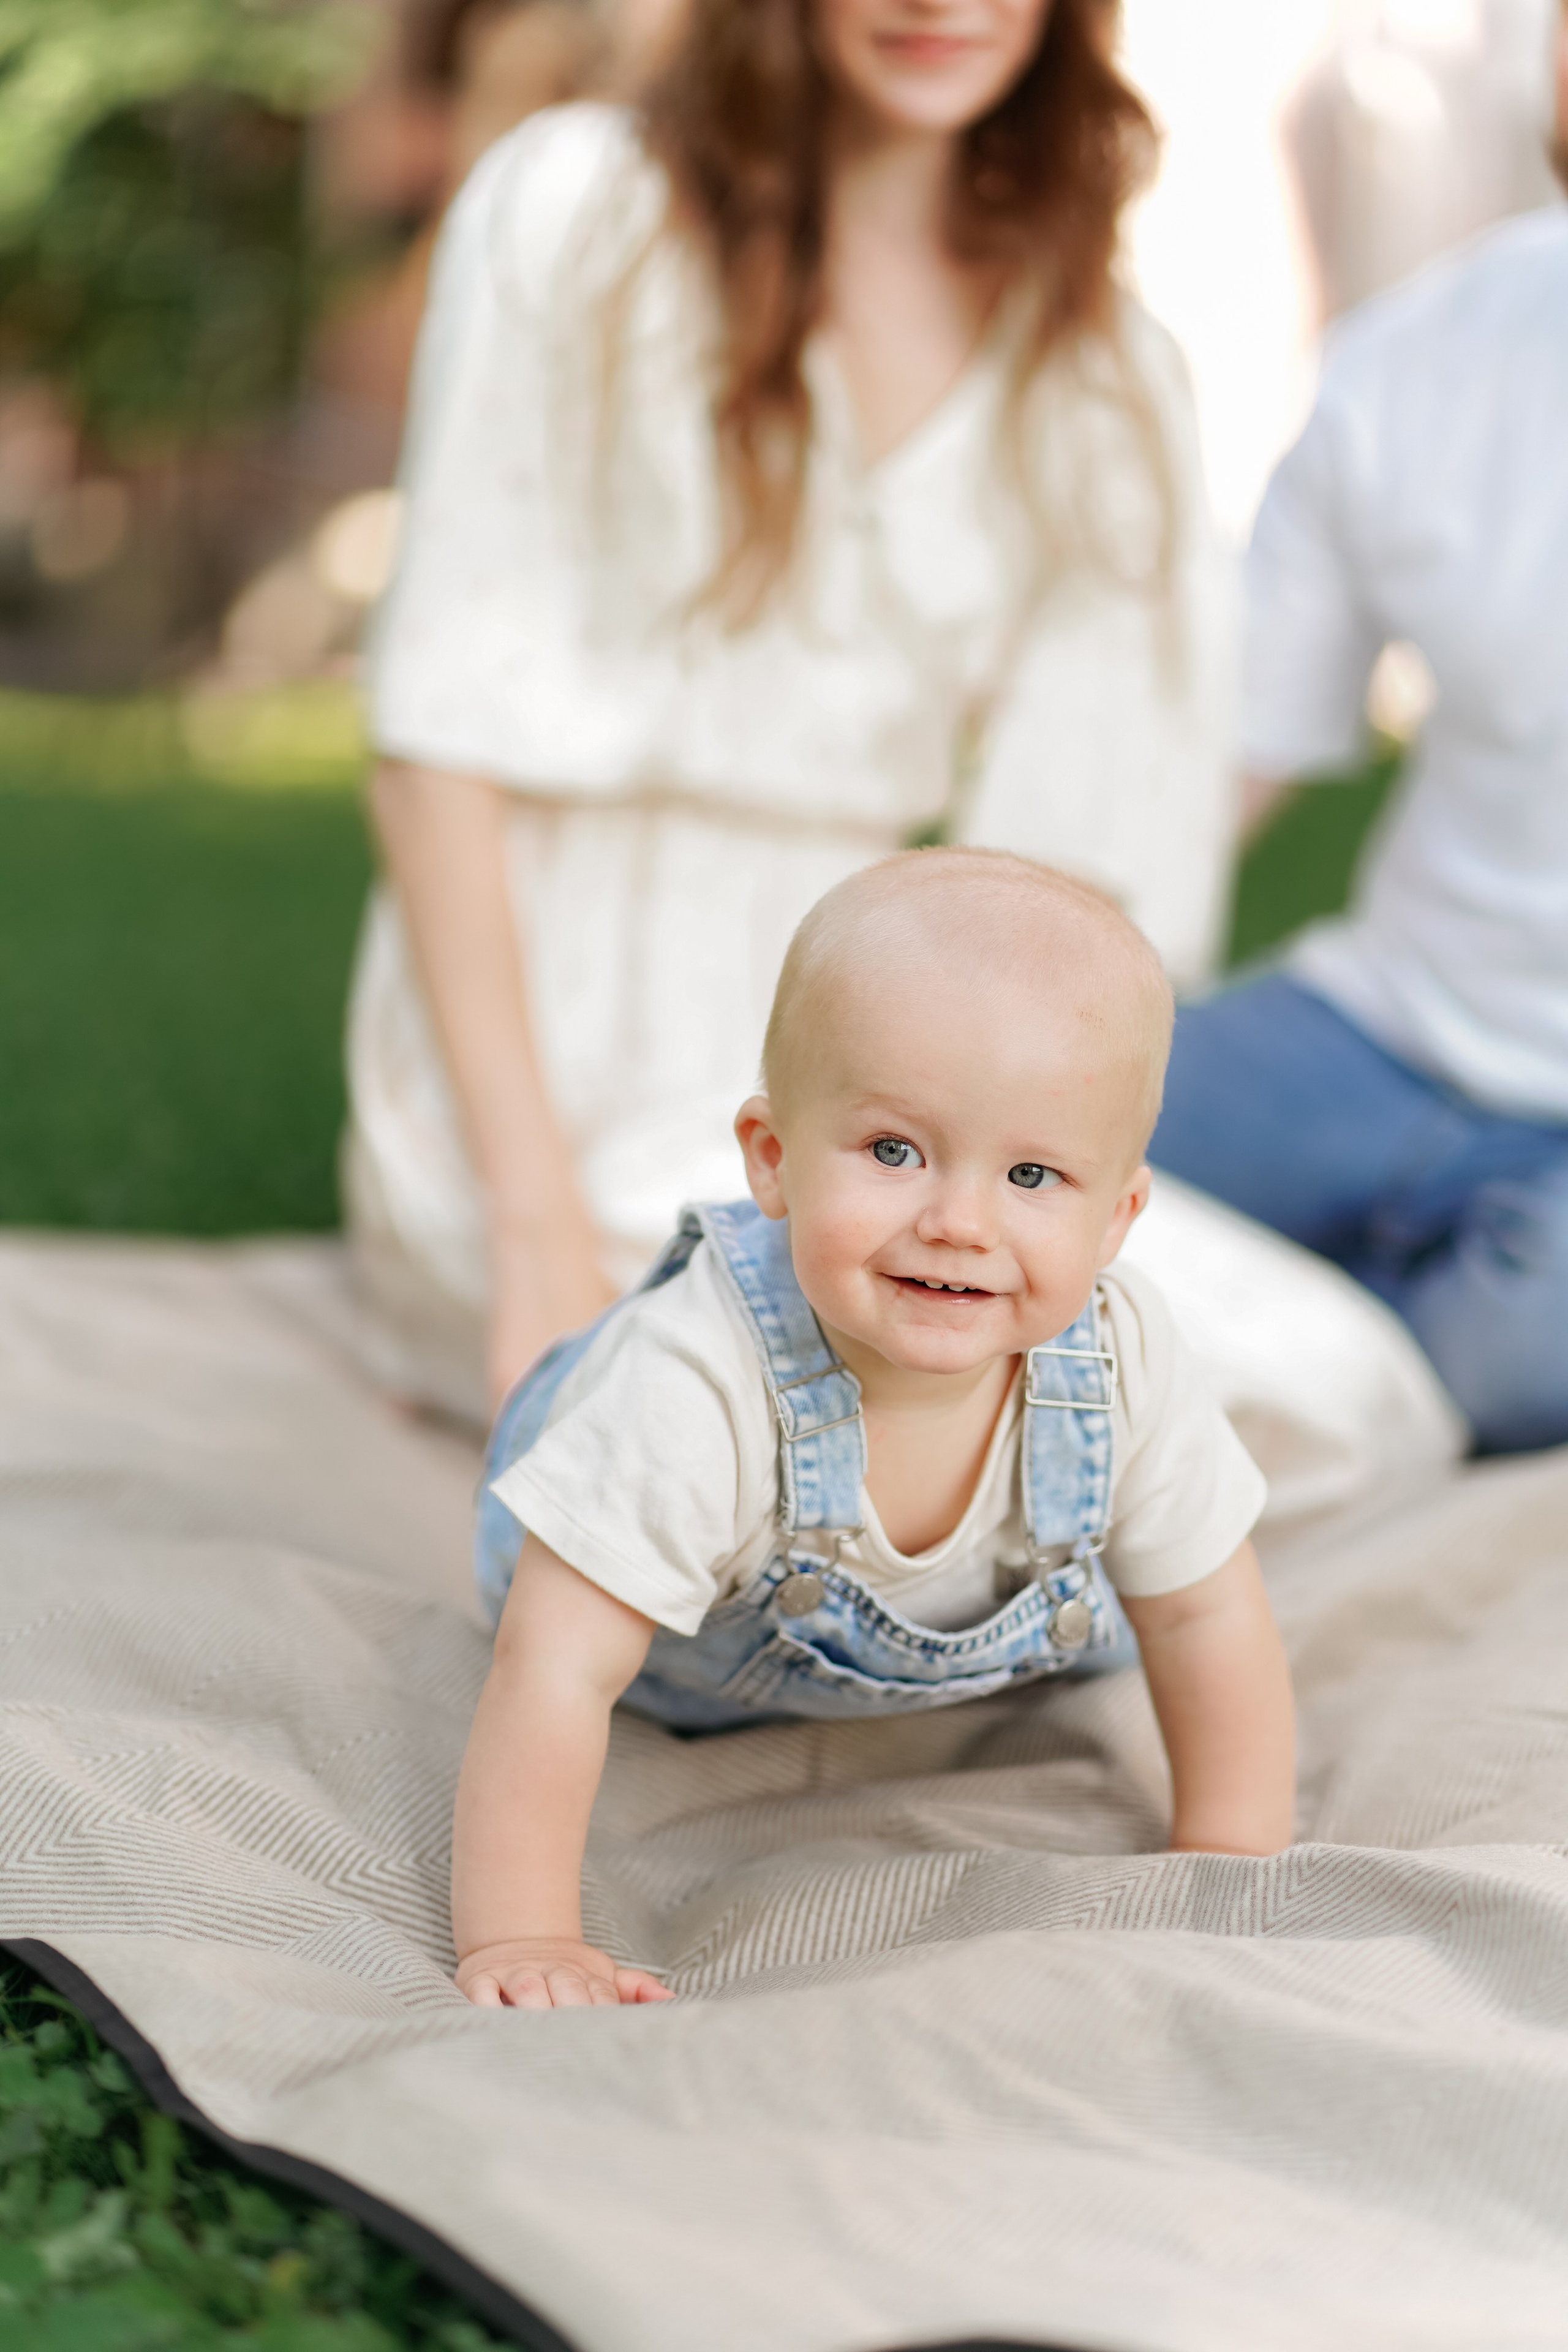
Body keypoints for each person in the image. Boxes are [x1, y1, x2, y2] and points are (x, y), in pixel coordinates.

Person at [344, 0, 1235, 1425]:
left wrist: (986, 1169)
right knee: (739, 1398)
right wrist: (534, 1231)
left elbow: (1086, 861)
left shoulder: (1099, 356)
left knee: (1311, 1386)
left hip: (880, 1021)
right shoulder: (583, 209)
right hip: (556, 1011)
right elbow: (435, 739)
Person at [452, 852, 1295, 2010]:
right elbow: (553, 1665)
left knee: (1145, 1584)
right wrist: (522, 1937)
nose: (958, 1222)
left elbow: (1205, 1611)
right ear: (774, 1158)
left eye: (1035, 1173)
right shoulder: (699, 1381)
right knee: (582, 1607)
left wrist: (1231, 1855)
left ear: (1119, 1217)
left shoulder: (1122, 1359)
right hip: (668, 1630)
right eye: (895, 1151)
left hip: (972, 1601)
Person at [1153, 1, 1568, 1455]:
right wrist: (1010, 985)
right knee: (1009, 1158)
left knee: (1518, 1363)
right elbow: (1228, 754)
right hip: (1382, 1021)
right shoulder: (1413, 360)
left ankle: (1338, 1336)